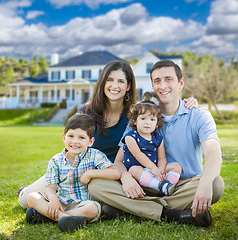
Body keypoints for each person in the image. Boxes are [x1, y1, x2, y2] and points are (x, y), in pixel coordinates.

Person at [17, 59, 198, 209]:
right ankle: (29, 192)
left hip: (112, 175)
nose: (114, 86)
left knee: (95, 198)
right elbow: (71, 147)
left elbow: (162, 111)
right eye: (110, 80)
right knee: (25, 200)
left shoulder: (136, 115)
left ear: (128, 86)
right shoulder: (86, 111)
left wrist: (189, 102)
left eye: (121, 81)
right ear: (103, 82)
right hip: (80, 170)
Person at [88, 59, 224, 227]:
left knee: (215, 184)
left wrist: (204, 184)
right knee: (95, 185)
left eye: (168, 79)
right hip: (144, 184)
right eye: (157, 81)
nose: (163, 85)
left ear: (180, 83)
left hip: (180, 187)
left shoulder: (199, 116)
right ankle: (173, 214)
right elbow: (119, 160)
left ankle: (129, 207)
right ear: (152, 85)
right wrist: (126, 177)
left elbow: (213, 153)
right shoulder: (143, 116)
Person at [26, 113, 121, 232]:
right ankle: (66, 219)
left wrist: (90, 173)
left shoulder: (95, 155)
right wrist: (53, 199)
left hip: (82, 203)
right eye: (71, 136)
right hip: (61, 201)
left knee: (93, 209)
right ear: (64, 138)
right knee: (32, 197)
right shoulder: (56, 160)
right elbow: (50, 188)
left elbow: (115, 173)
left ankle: (48, 217)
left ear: (90, 141)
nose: (75, 141)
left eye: (81, 138)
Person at [122, 92, 181, 197]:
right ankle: (161, 186)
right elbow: (138, 155)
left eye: (152, 119)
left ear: (157, 123)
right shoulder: (130, 137)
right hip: (138, 173)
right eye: (143, 118)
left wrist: (161, 171)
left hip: (153, 172)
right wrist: (153, 168)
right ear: (135, 121)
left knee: (176, 166)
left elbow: (162, 158)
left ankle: (166, 186)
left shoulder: (158, 138)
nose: (147, 122)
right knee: (133, 170)